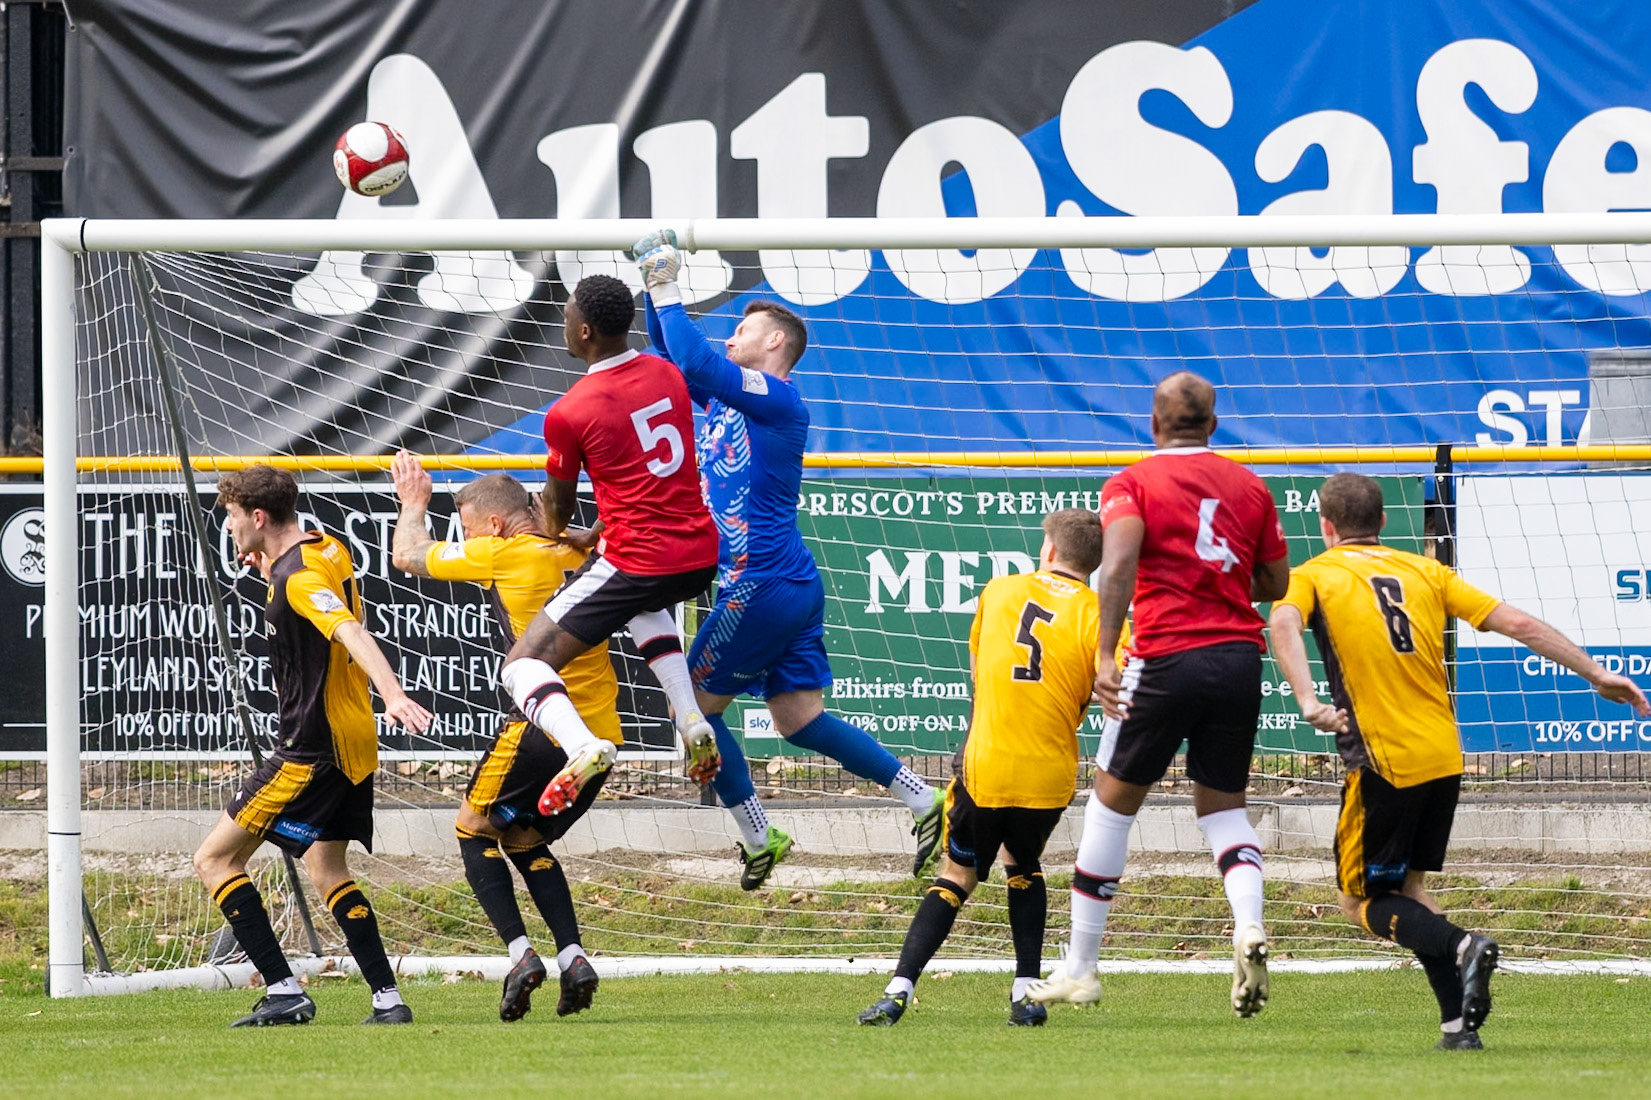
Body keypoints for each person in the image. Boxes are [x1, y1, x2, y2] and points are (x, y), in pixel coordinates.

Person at [1268, 472, 1649, 1050]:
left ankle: (1463, 946)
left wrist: (1306, 698)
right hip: (1443, 754)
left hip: (1381, 760)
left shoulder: (1313, 575)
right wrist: (1595, 672)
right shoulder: (1426, 570)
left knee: (1357, 899)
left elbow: (1282, 621)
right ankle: (1457, 1028)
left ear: (1324, 526)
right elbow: (1516, 622)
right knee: (1411, 888)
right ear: (1385, 522)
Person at [633, 232, 943, 890]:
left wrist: (666, 285)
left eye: (742, 328)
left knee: (693, 707)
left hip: (760, 583)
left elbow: (697, 357)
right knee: (797, 720)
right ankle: (923, 798)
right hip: (787, 580)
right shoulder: (729, 401)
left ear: (773, 344)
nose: (729, 337)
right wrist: (646, 285)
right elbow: (679, 359)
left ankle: (755, 831)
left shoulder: (778, 398)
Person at [1031, 372, 1290, 1017]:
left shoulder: (1133, 483)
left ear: (1153, 425)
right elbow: (1275, 580)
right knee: (1225, 811)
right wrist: (1220, 585)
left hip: (1164, 657)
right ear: (1214, 423)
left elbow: (1116, 565)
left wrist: (1102, 653)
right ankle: (1250, 924)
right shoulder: (1249, 485)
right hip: (1237, 659)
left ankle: (1082, 969)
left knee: (1110, 808)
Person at [191, 464, 433, 1027]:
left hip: (310, 748)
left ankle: (283, 990)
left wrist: (393, 692)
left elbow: (348, 628)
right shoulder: (325, 548)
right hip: (353, 743)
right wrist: (270, 567)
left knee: (214, 859)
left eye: (230, 518)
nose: (228, 530)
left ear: (256, 517)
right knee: (327, 868)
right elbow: (320, 596)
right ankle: (388, 1000)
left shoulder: (298, 580)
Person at [858, 510, 1108, 1027]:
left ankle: (897, 991)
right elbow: (1106, 691)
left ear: (1049, 551)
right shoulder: (1101, 614)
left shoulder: (1000, 590)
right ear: (1097, 564)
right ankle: (1025, 996)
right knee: (1024, 866)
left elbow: (980, 674)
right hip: (1050, 772)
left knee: (957, 875)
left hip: (986, 765)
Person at [390, 456, 613, 1021]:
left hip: (541, 726)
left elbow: (406, 556)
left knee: (471, 830)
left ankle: (520, 956)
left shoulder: (503, 550)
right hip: (601, 735)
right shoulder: (577, 551)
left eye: (466, 527)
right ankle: (574, 956)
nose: (465, 539)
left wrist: (413, 505)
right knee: (523, 838)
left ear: (492, 525)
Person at [498, 274, 722, 817]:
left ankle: (582, 747)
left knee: (521, 665)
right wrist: (598, 532)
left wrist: (552, 530)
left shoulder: (571, 411)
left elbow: (555, 512)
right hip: (698, 555)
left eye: (567, 319)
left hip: (640, 561)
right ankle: (691, 717)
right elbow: (645, 474)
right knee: (641, 605)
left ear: (584, 330)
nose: (563, 329)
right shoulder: (667, 373)